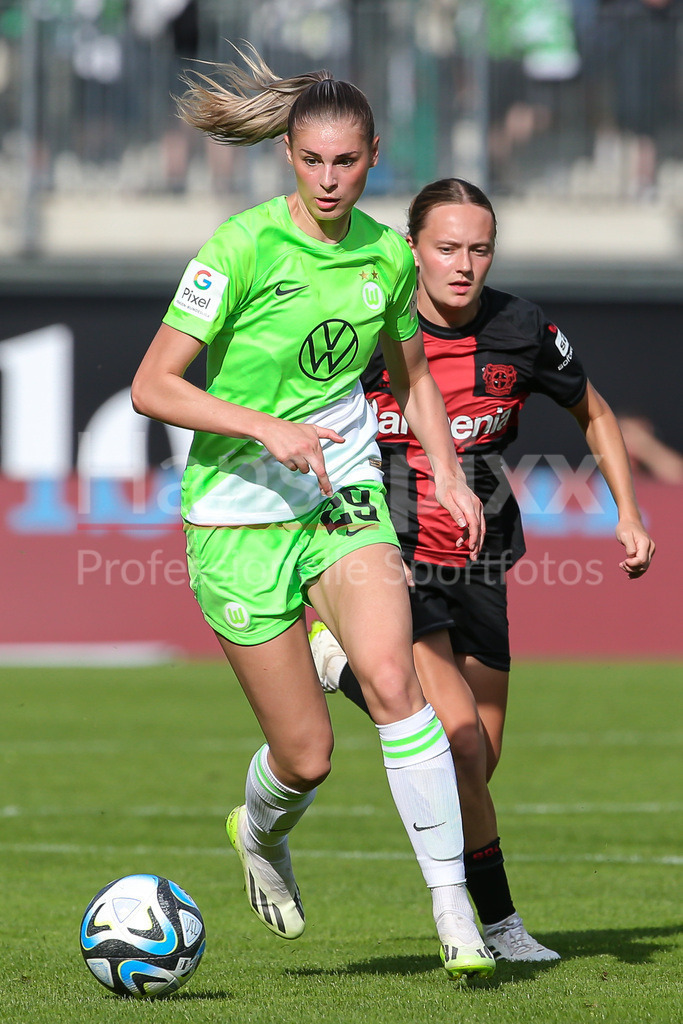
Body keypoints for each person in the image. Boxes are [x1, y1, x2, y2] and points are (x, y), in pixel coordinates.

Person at [131, 48, 495, 980]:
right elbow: (152, 387)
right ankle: (257, 832)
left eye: (346, 161)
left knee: (389, 678)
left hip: (341, 495)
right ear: (288, 157)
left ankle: (453, 911)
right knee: (307, 756)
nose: (329, 180)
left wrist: (448, 472)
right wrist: (263, 428)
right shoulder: (241, 246)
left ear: (375, 154)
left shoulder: (385, 252)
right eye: (311, 161)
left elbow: (411, 376)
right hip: (234, 515)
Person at [308, 177, 655, 962]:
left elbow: (592, 411)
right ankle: (496, 925)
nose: (463, 265)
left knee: (478, 760)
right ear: (411, 250)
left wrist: (626, 513)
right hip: (388, 552)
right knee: (457, 738)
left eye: (479, 248)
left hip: (482, 555)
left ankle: (343, 671)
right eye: (446, 248)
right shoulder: (368, 325)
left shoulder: (521, 328)